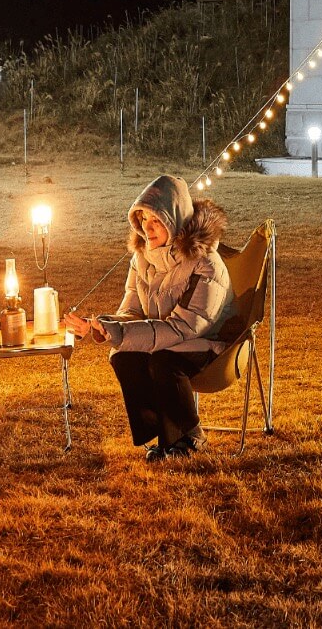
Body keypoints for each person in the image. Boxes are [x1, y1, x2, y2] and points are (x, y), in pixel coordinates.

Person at [65, 174, 238, 462]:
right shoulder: (142, 257)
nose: (148, 227)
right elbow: (131, 311)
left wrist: (117, 331)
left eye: (156, 219)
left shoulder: (205, 262)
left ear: (175, 218)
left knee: (162, 361)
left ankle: (190, 435)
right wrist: (102, 327)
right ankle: (164, 437)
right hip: (169, 339)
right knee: (123, 356)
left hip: (209, 343)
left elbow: (187, 325)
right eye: (143, 219)